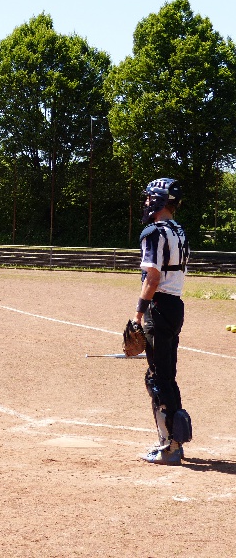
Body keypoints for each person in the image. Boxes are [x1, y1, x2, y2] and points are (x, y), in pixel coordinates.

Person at [133, 178, 191, 466]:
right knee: (167, 375)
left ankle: (169, 447)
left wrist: (138, 313)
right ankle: (174, 440)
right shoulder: (178, 230)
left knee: (156, 378)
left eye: (148, 198)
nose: (146, 203)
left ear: (157, 200)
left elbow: (153, 277)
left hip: (158, 306)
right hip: (175, 305)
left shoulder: (154, 232)